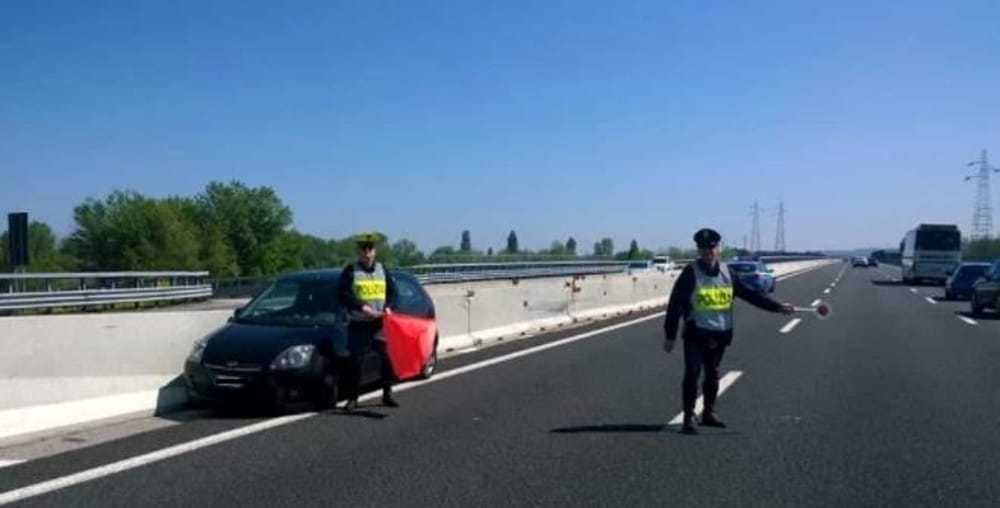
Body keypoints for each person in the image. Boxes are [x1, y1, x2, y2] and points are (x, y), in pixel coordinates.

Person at [663, 228, 794, 434]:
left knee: (713, 374)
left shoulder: (728, 272)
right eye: (703, 248)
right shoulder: (690, 273)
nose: (708, 251)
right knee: (693, 373)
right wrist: (670, 335)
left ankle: (708, 413)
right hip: (696, 333)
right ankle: (689, 416)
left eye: (712, 247)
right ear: (699, 251)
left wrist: (777, 306)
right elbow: (675, 304)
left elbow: (750, 294)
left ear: (719, 248)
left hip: (720, 334)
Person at [338, 232, 399, 412]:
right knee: (355, 362)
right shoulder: (351, 270)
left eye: (370, 249)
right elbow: (343, 294)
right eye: (363, 249)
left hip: (379, 324)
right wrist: (361, 306)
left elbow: (393, 292)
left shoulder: (382, 269)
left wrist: (389, 306)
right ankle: (353, 398)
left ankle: (387, 395)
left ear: (375, 251)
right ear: (358, 251)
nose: (366, 252)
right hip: (359, 324)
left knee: (387, 360)